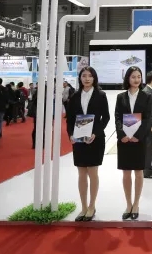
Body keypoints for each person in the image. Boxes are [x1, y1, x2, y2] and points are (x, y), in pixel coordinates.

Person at [66, 66, 110, 222]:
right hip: (78, 139)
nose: (87, 78)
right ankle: (83, 207)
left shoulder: (101, 95)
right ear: (80, 78)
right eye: (84, 75)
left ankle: (92, 206)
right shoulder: (74, 96)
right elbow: (70, 119)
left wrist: (95, 133)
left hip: (95, 139)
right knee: (81, 173)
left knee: (93, 172)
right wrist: (71, 135)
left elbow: (106, 117)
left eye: (90, 76)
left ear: (94, 78)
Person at [115, 66, 151, 221]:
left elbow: (148, 118)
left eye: (139, 76)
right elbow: (117, 117)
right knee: (126, 173)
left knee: (138, 172)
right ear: (128, 78)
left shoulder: (146, 96)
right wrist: (122, 135)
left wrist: (138, 136)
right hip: (124, 140)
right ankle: (128, 204)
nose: (136, 79)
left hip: (139, 140)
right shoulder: (121, 97)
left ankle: (136, 204)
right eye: (133, 77)